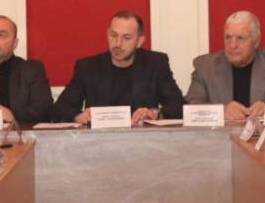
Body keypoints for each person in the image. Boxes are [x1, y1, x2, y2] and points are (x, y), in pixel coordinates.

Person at [52, 11, 183, 124]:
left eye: (127, 38)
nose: (118, 44)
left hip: (142, 139)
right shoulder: (88, 67)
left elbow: (179, 106)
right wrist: (78, 116)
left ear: (139, 41)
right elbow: (60, 109)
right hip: (98, 140)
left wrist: (154, 114)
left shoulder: (155, 64)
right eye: (113, 35)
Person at [184, 11, 265, 122]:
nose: (232, 45)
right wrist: (222, 111)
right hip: (220, 135)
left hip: (263, 136)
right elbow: (191, 108)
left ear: (256, 41)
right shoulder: (205, 67)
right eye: (228, 37)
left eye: (240, 38)